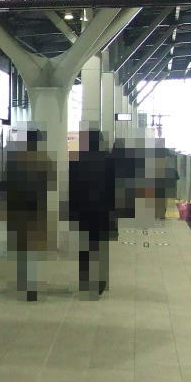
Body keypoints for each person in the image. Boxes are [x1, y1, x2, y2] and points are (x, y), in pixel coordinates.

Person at [0, 128, 56, 301]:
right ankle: (31, 285)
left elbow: (5, 184)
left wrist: (3, 206)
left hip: (17, 210)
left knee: (21, 248)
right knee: (32, 249)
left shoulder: (15, 158)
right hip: (36, 210)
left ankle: (22, 282)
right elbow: (51, 182)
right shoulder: (45, 160)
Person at [68, 127, 115, 299]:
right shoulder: (109, 161)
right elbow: (114, 188)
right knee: (99, 246)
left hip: (83, 210)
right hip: (102, 211)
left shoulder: (76, 161)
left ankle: (86, 281)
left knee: (85, 246)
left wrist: (71, 210)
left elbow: (71, 188)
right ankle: (99, 281)